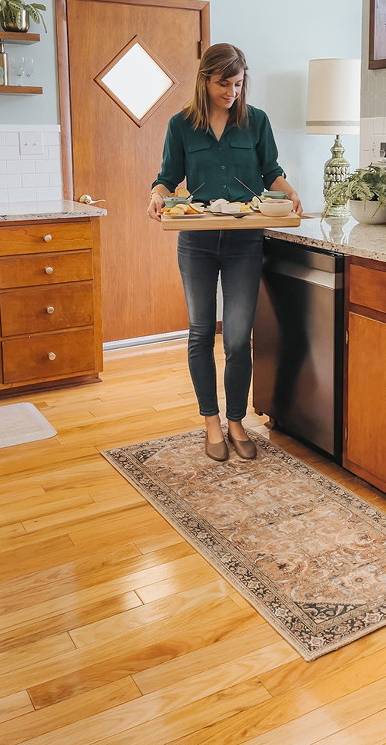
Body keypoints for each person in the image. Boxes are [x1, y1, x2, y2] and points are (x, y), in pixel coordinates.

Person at [148, 43, 302, 462]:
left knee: (236, 338)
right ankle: (211, 421)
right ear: (205, 80)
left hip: (243, 243)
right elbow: (167, 178)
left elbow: (271, 171)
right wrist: (156, 197)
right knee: (201, 332)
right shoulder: (181, 125)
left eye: (238, 83)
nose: (232, 92)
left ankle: (236, 421)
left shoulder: (256, 122)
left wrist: (290, 194)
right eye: (224, 83)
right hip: (196, 242)